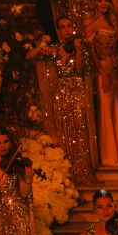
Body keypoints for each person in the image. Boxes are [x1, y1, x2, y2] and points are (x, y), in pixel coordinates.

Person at [31, 15, 99, 182]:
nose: (67, 29)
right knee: (63, 132)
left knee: (79, 132)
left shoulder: (80, 47)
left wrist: (77, 50)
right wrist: (41, 49)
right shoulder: (54, 49)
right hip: (60, 94)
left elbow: (79, 70)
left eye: (69, 26)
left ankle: (81, 171)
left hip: (76, 93)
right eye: (63, 27)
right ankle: (66, 173)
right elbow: (29, 56)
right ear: (58, 30)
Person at [87, 0, 118, 167]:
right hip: (104, 69)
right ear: (95, 2)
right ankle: (110, 156)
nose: (104, 3)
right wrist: (102, 73)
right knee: (107, 109)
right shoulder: (90, 22)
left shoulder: (111, 21)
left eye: (106, 0)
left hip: (117, 70)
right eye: (100, 0)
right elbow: (91, 52)